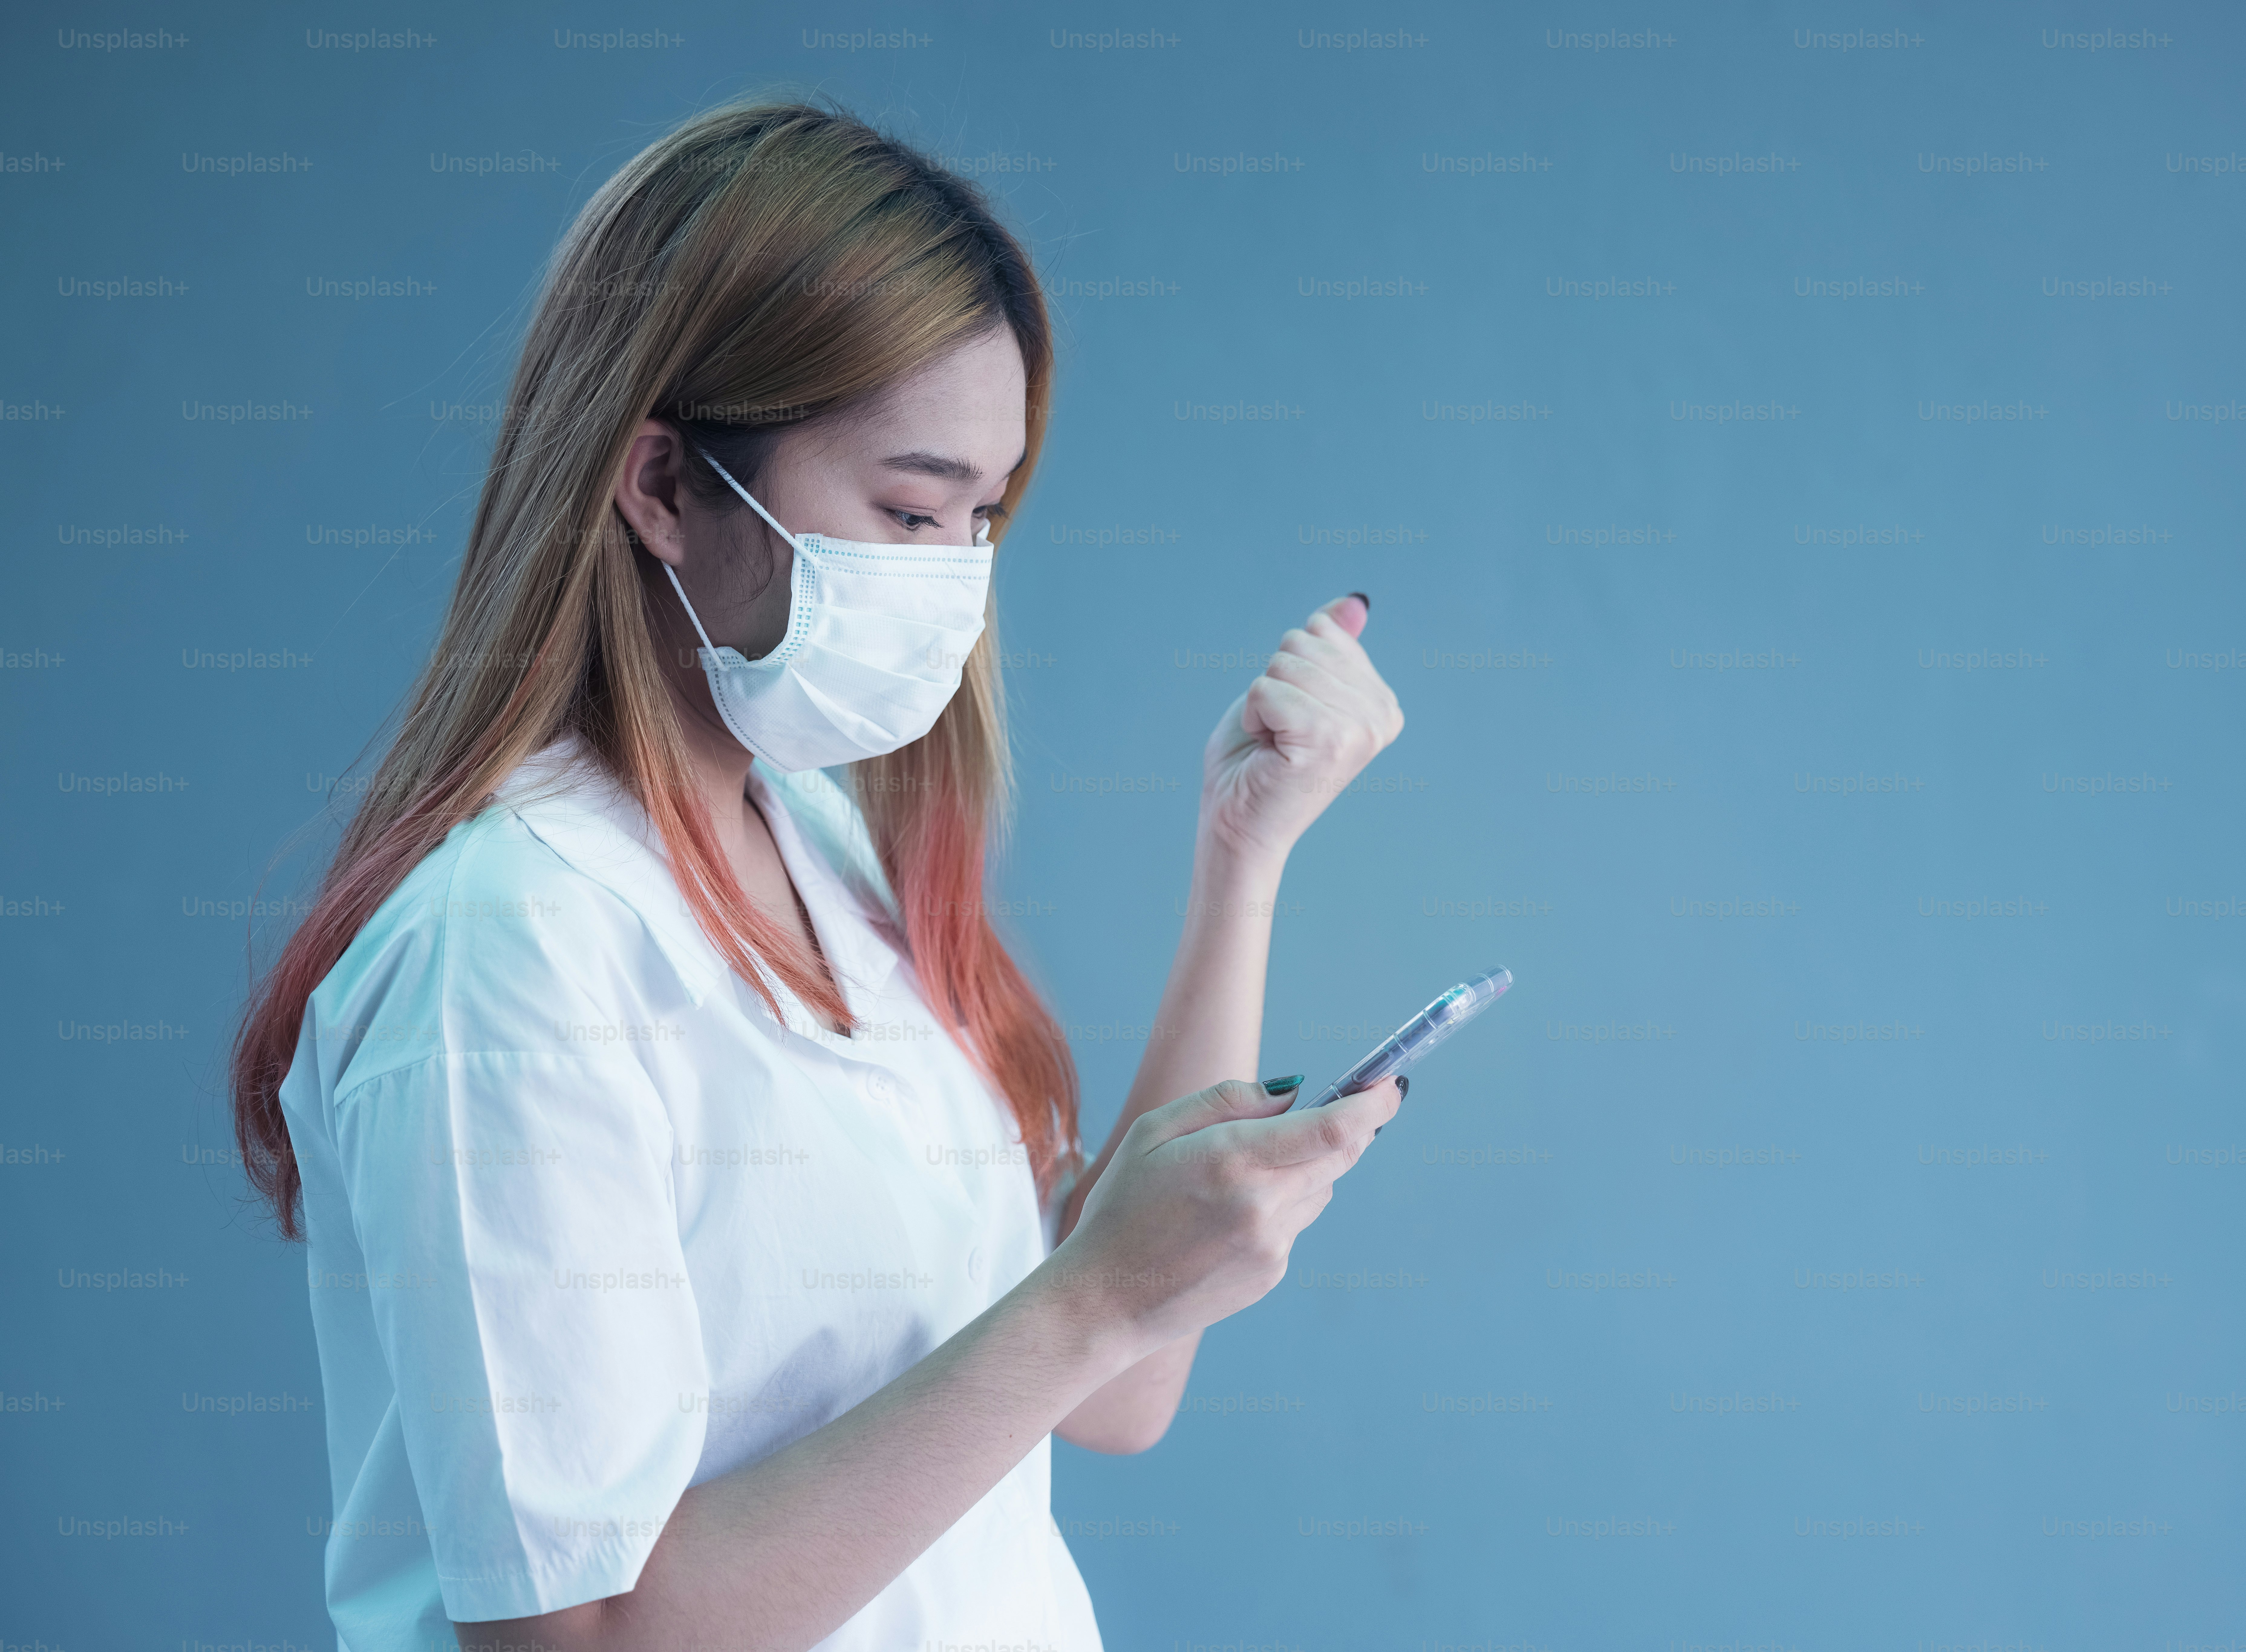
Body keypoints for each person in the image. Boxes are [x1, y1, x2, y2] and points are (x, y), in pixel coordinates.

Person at [228, 99, 1405, 1650]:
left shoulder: (822, 851)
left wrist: (1239, 858)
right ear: (660, 487)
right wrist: (1093, 1296)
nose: (954, 582)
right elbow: (575, 1639)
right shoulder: (510, 948)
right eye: (909, 511)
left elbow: (1112, 1390)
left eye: (982, 517)